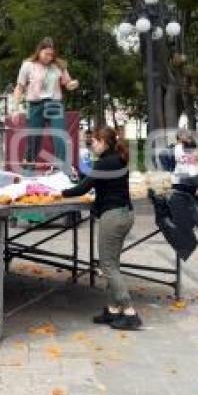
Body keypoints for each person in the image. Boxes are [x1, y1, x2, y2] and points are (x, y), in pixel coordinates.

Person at [61, 127, 142, 330]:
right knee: (112, 263)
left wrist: (58, 193)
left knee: (107, 265)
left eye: (95, 141)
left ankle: (130, 311)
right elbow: (93, 182)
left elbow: (82, 188)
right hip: (125, 213)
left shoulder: (105, 162)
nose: (92, 144)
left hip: (113, 216)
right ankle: (113, 309)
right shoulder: (118, 158)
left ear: (104, 143)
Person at [13, 37, 79, 171]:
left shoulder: (59, 66)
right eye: (46, 54)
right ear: (39, 51)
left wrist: (73, 84)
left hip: (55, 103)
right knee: (34, 137)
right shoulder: (28, 65)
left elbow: (67, 83)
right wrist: (15, 109)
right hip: (35, 105)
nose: (49, 57)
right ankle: (28, 166)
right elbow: (19, 87)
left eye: (51, 54)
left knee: (60, 134)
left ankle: (62, 169)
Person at [170, 129, 198, 233]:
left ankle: (187, 224)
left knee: (184, 202)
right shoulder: (191, 147)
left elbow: (178, 163)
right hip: (190, 179)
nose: (189, 137)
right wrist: (197, 185)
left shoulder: (176, 148)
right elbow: (194, 166)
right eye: (187, 136)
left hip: (178, 178)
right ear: (181, 138)